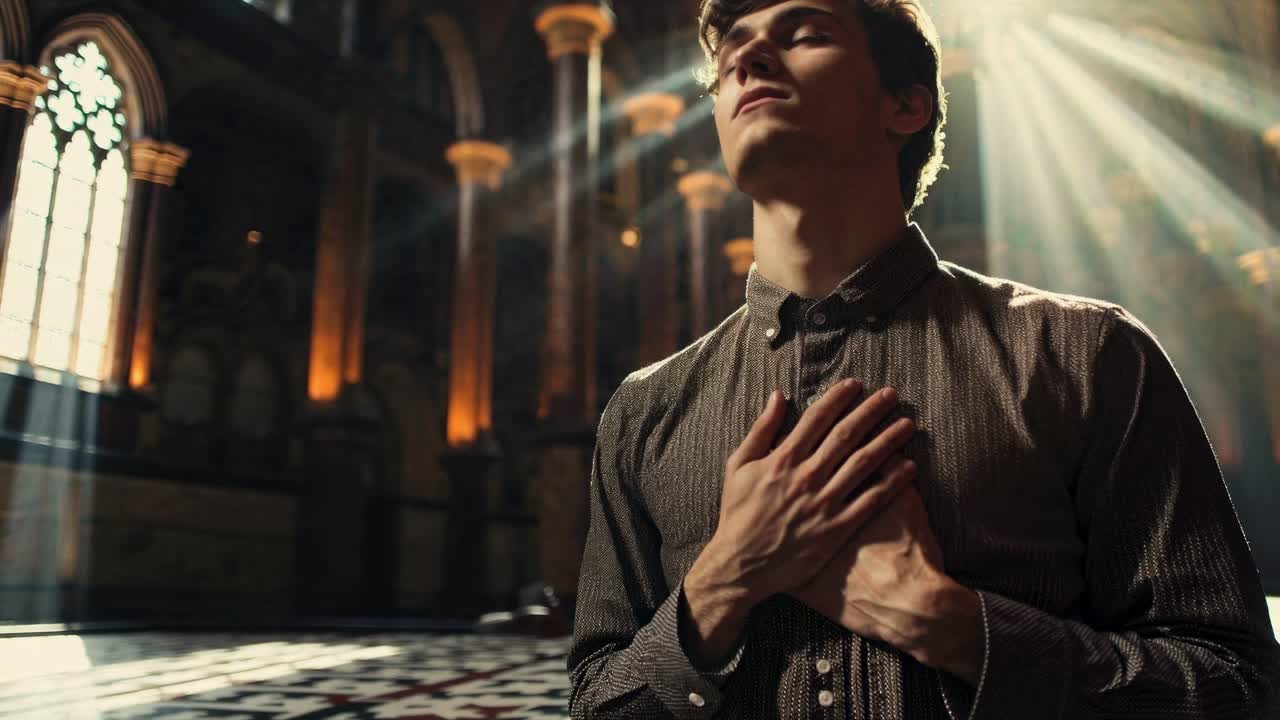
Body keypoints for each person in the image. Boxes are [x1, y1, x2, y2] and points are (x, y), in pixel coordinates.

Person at [567, 0, 1280, 717]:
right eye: (730, 61)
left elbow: (1234, 685)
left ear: (906, 105)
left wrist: (955, 627)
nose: (747, 61)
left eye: (806, 34)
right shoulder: (644, 410)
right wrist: (722, 581)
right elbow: (596, 703)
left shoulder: (1086, 356)